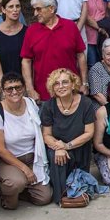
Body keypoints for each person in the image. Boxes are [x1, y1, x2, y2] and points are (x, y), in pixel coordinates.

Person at [0, 73, 52, 209]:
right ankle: (8, 194)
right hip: (7, 160)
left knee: (44, 198)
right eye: (9, 89)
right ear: (3, 91)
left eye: (18, 87)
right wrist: (24, 169)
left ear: (23, 88)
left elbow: (39, 133)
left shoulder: (30, 103)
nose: (14, 92)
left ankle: (22, 191)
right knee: (15, 184)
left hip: (32, 158)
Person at [40, 68, 96, 205]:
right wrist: (59, 147)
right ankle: (62, 196)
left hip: (79, 147)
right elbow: (46, 135)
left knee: (70, 157)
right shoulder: (48, 106)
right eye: (56, 84)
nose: (61, 86)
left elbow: (89, 133)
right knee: (57, 156)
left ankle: (76, 191)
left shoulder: (86, 103)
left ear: (73, 84)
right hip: (57, 147)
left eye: (65, 82)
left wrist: (67, 145)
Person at [21, 0, 88, 102]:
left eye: (38, 9)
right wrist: (30, 89)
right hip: (43, 95)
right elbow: (26, 61)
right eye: (34, 10)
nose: (35, 14)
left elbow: (81, 55)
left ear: (51, 8)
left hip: (71, 92)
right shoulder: (31, 31)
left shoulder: (70, 26)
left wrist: (84, 83)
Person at [0, 0, 28, 78]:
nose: (15, 10)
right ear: (3, 10)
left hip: (23, 82)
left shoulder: (28, 32)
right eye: (11, 7)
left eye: (17, 6)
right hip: (2, 82)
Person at [84, 0, 108, 69]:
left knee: (104, 67)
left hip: (103, 38)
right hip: (89, 38)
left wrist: (107, 30)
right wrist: (99, 28)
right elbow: (85, 15)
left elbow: (106, 14)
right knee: (93, 67)